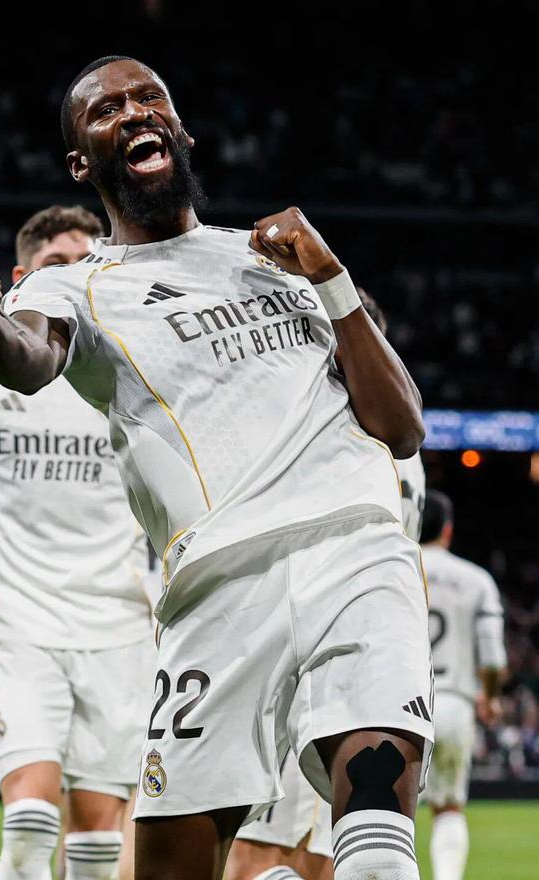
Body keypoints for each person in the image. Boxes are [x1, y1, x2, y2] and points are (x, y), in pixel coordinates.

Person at [0, 56, 433, 880]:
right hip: (214, 589)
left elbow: (402, 427)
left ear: (182, 131)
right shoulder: (75, 286)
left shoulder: (272, 257)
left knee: (377, 857)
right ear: (81, 163)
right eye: (107, 110)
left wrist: (332, 276)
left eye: (149, 99)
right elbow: (27, 360)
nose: (134, 112)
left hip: (355, 554)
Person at [0, 204, 156, 880]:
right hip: (16, 619)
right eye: (55, 264)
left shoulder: (132, 376)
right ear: (21, 279)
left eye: (84, 263)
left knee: (99, 838)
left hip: (121, 625)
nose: (72, 276)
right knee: (33, 817)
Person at [227, 289, 427, 880]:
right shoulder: (401, 441)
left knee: (256, 862)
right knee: (346, 856)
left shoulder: (303, 432)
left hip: (297, 654)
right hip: (375, 665)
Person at [420, 490, 506, 880]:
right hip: (455, 701)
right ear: (448, 529)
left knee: (389, 806)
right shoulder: (476, 580)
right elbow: (492, 656)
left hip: (399, 703)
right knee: (449, 807)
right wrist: (490, 697)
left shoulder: (393, 569)